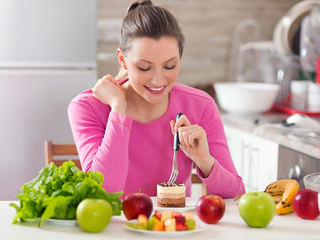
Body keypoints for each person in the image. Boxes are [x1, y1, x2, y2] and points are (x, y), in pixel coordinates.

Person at [68, 0, 245, 198]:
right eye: (144, 68)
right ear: (122, 60)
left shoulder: (200, 105)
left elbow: (235, 193)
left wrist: (204, 160)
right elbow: (103, 192)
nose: (158, 80)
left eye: (169, 66)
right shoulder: (87, 107)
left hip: (173, 226)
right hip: (113, 228)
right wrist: (118, 109)